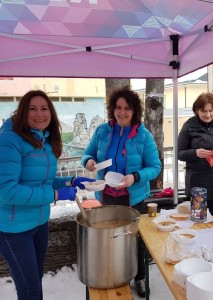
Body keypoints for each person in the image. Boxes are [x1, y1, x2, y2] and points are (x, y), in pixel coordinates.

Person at [0, 90, 94, 300]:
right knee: (30, 291)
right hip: (13, 230)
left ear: (51, 113)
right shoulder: (9, 141)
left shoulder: (43, 141)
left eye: (44, 108)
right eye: (32, 108)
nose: (40, 114)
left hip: (38, 224)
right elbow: (8, 191)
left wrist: (71, 181)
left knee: (34, 282)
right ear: (22, 112)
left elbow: (41, 181)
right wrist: (56, 194)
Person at [81, 86, 161, 298]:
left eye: (127, 108)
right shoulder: (102, 131)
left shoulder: (143, 136)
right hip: (106, 195)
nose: (122, 112)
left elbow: (155, 167)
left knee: (135, 239)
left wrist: (134, 177)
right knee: (108, 238)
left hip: (133, 197)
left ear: (135, 111)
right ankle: (112, 273)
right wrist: (88, 161)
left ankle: (140, 277)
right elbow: (87, 153)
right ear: (112, 109)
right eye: (118, 107)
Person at [177, 92, 213, 225]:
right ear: (197, 110)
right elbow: (180, 153)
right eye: (204, 111)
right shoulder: (189, 126)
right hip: (197, 184)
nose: (208, 115)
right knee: (198, 222)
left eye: (211, 111)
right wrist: (195, 153)